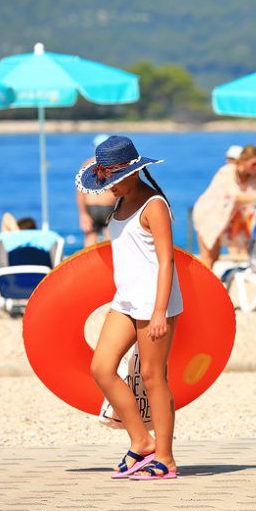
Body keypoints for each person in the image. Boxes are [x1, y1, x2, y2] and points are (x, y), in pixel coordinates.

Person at [76, 135, 183, 480]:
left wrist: (158, 312)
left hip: (155, 302)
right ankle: (141, 440)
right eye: (104, 180)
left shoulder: (154, 205)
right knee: (101, 368)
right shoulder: (119, 203)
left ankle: (165, 458)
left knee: (154, 378)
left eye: (112, 179)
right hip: (126, 299)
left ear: (133, 172)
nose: (108, 187)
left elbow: (166, 261)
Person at [192, 145, 256, 269]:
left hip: (228, 219)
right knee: (208, 259)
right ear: (244, 161)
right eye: (254, 164)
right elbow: (234, 195)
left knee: (215, 257)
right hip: (209, 215)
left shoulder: (255, 177)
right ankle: (201, 287)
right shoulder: (227, 171)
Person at [77, 135, 118, 247]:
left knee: (90, 239)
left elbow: (80, 191)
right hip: (109, 205)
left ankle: (88, 264)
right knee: (109, 240)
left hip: (91, 206)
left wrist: (83, 214)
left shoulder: (86, 164)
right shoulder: (114, 165)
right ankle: (109, 264)